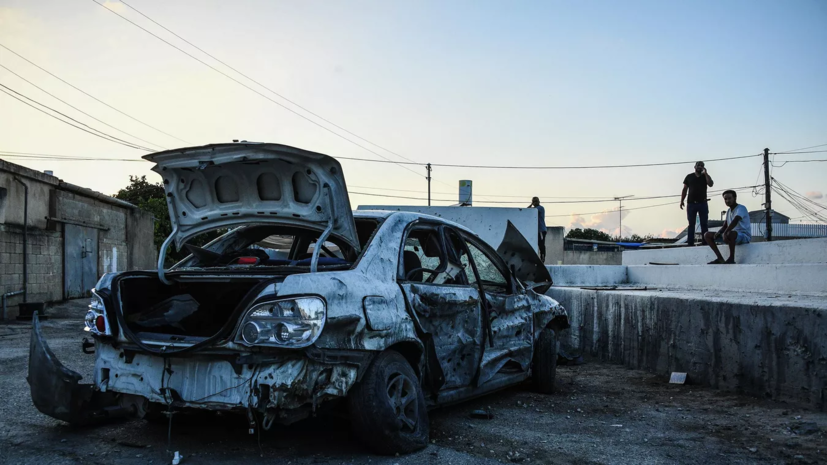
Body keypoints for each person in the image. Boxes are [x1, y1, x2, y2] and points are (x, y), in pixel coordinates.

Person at [704, 190, 751, 264]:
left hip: (743, 236)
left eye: (729, 198)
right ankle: (720, 258)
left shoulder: (741, 208)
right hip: (730, 236)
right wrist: (719, 233)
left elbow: (736, 220)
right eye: (725, 199)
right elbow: (725, 225)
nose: (727, 201)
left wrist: (726, 233)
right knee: (707, 235)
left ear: (735, 198)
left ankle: (731, 259)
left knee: (730, 233)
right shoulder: (729, 211)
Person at [680, 161, 714, 246]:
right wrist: (682, 201)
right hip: (691, 204)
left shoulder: (705, 177)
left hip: (702, 203)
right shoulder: (689, 177)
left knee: (704, 223)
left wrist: (706, 174)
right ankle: (690, 242)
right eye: (698, 165)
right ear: (694, 167)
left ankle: (705, 242)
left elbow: (710, 184)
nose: (700, 167)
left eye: (702, 165)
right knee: (691, 224)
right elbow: (684, 189)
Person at [529, 197, 547, 262]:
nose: (535, 203)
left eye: (535, 201)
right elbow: (527, 210)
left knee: (541, 244)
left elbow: (532, 210)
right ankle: (539, 257)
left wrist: (531, 205)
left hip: (541, 230)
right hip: (537, 230)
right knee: (538, 244)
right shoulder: (535, 208)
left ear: (538, 201)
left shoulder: (540, 208)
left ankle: (542, 257)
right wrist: (531, 204)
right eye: (533, 201)